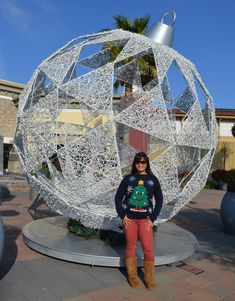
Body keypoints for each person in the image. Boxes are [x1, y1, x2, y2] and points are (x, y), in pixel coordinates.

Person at [115, 152, 163, 290]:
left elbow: (159, 200)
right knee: (130, 246)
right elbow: (118, 197)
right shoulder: (128, 179)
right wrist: (122, 215)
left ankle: (148, 278)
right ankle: (133, 277)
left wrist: (152, 218)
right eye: (138, 162)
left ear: (147, 164)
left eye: (143, 162)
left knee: (148, 249)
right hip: (129, 220)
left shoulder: (153, 180)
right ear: (134, 163)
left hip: (145, 221)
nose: (140, 165)